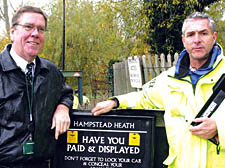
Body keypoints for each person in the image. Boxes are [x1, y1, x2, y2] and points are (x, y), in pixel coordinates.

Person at [92, 12, 225, 168]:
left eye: (203, 33)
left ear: (214, 37)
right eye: (190, 35)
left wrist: (219, 129)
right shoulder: (169, 79)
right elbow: (144, 98)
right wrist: (115, 101)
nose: (197, 40)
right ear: (183, 40)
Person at [0, 6, 73, 168]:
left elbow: (66, 93)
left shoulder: (51, 71)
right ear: (12, 32)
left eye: (41, 29)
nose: (35, 34)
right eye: (28, 27)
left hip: (41, 163)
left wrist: (63, 108)